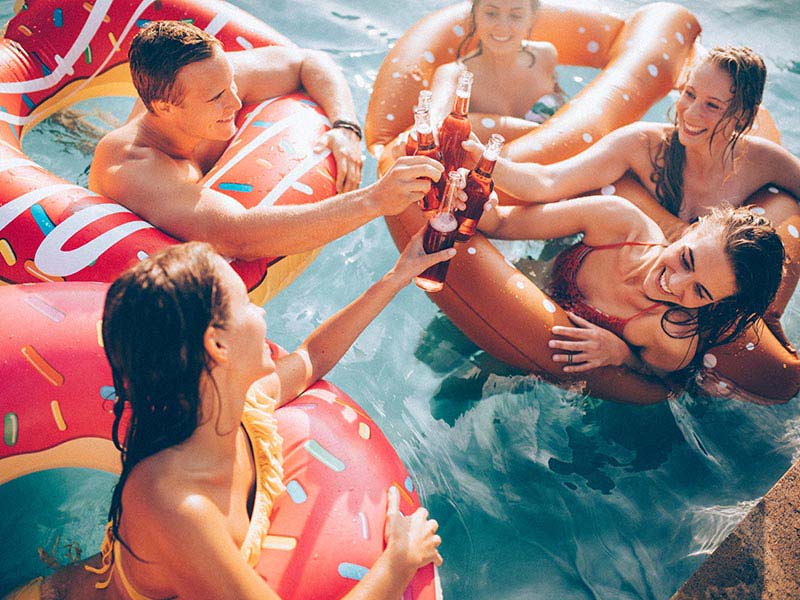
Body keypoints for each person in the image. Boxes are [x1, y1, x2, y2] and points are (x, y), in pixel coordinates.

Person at [4, 234, 450, 600]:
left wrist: (398, 275)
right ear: (217, 346)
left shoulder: (239, 410)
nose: (262, 311)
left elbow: (312, 357)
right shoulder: (178, 505)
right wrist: (398, 562)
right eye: (245, 302)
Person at [463, 45, 800, 343]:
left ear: (743, 115)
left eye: (712, 105)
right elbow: (548, 183)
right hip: (596, 263)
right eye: (689, 94)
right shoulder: (642, 144)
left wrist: (773, 309)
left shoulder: (763, 163)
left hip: (660, 311)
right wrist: (484, 159)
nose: (691, 113)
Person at [88, 21, 444, 261]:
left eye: (230, 84)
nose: (235, 101)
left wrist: (345, 127)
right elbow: (236, 237)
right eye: (216, 98)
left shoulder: (209, 78)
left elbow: (309, 62)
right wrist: (374, 199)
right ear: (165, 107)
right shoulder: (131, 167)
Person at [476, 195, 784, 376]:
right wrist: (478, 201)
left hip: (531, 363)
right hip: (509, 289)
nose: (675, 284)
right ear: (693, 229)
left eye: (700, 292)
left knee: (456, 392)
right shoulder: (618, 222)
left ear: (716, 303)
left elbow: (655, 382)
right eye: (687, 259)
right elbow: (503, 223)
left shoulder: (669, 335)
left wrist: (622, 354)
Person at [428, 0, 563, 142]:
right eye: (491, 13)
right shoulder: (454, 75)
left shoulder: (545, 56)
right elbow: (433, 122)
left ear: (532, 18)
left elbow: (562, 101)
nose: (502, 27)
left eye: (516, 16)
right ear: (474, 14)